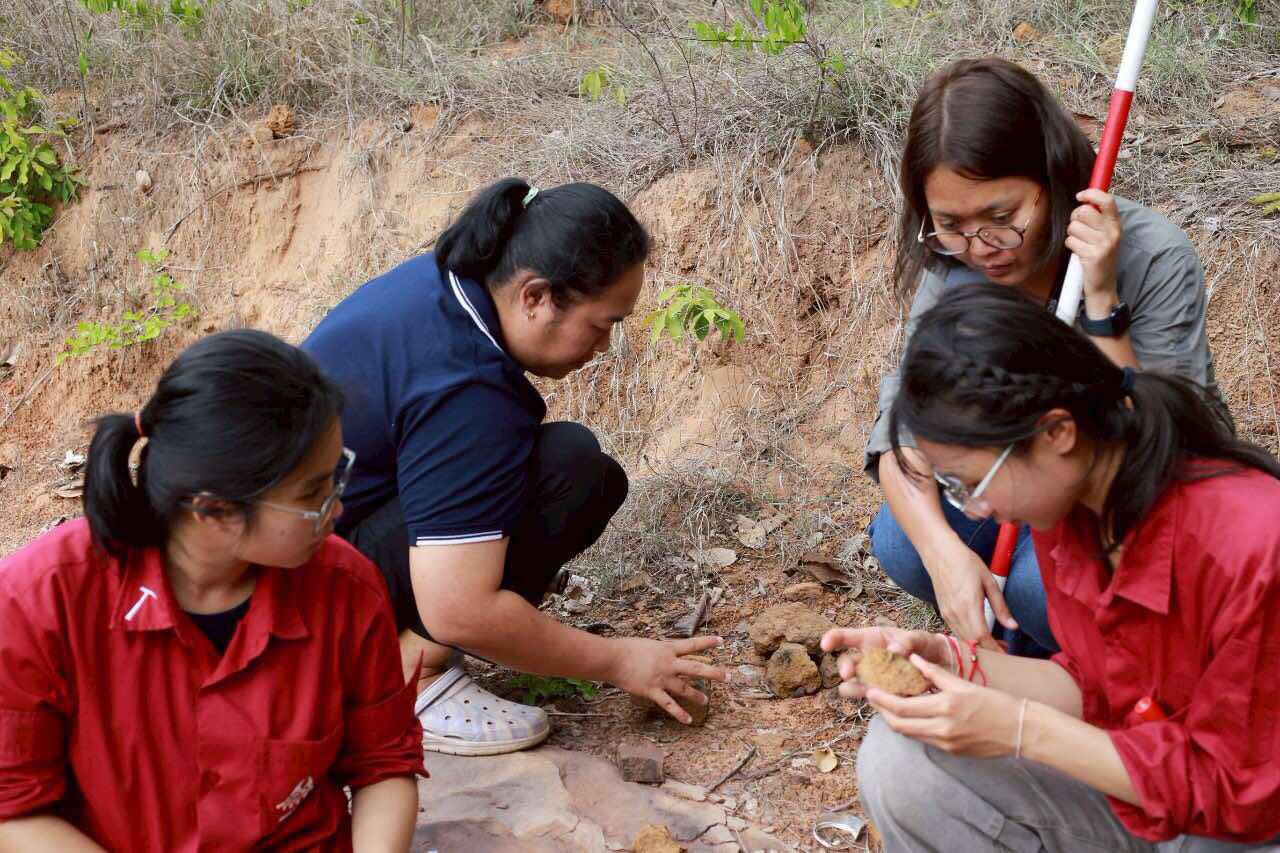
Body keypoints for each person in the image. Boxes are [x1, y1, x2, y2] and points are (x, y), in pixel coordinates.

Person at [825, 284, 1280, 850]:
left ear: (1057, 432)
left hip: (1243, 821)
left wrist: (1021, 730)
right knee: (905, 762)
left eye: (974, 484)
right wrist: (954, 663)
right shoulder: (1069, 512)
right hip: (1150, 788)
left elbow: (1240, 793)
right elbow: (1093, 686)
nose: (976, 510)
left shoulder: (1254, 545)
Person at [302, 178, 727, 757]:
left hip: (285, 560)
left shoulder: (442, 284)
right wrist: (619, 660)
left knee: (567, 460)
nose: (603, 346)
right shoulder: (468, 386)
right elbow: (460, 611)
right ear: (536, 297)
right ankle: (407, 678)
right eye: (602, 324)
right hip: (299, 603)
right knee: (570, 473)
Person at [0, 330, 425, 851]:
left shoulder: (347, 589)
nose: (336, 509)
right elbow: (14, 811)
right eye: (312, 494)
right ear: (212, 510)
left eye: (335, 479)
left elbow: (384, 764)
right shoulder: (39, 602)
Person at [865, 57, 1222, 657]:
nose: (981, 247)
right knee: (904, 542)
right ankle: (1034, 653)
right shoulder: (951, 263)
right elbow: (902, 428)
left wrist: (1102, 299)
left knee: (1044, 584)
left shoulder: (1151, 256)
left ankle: (1101, 669)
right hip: (1013, 484)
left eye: (1002, 218)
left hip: (1118, 503)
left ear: (1053, 177)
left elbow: (1166, 446)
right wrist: (944, 554)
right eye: (950, 223)